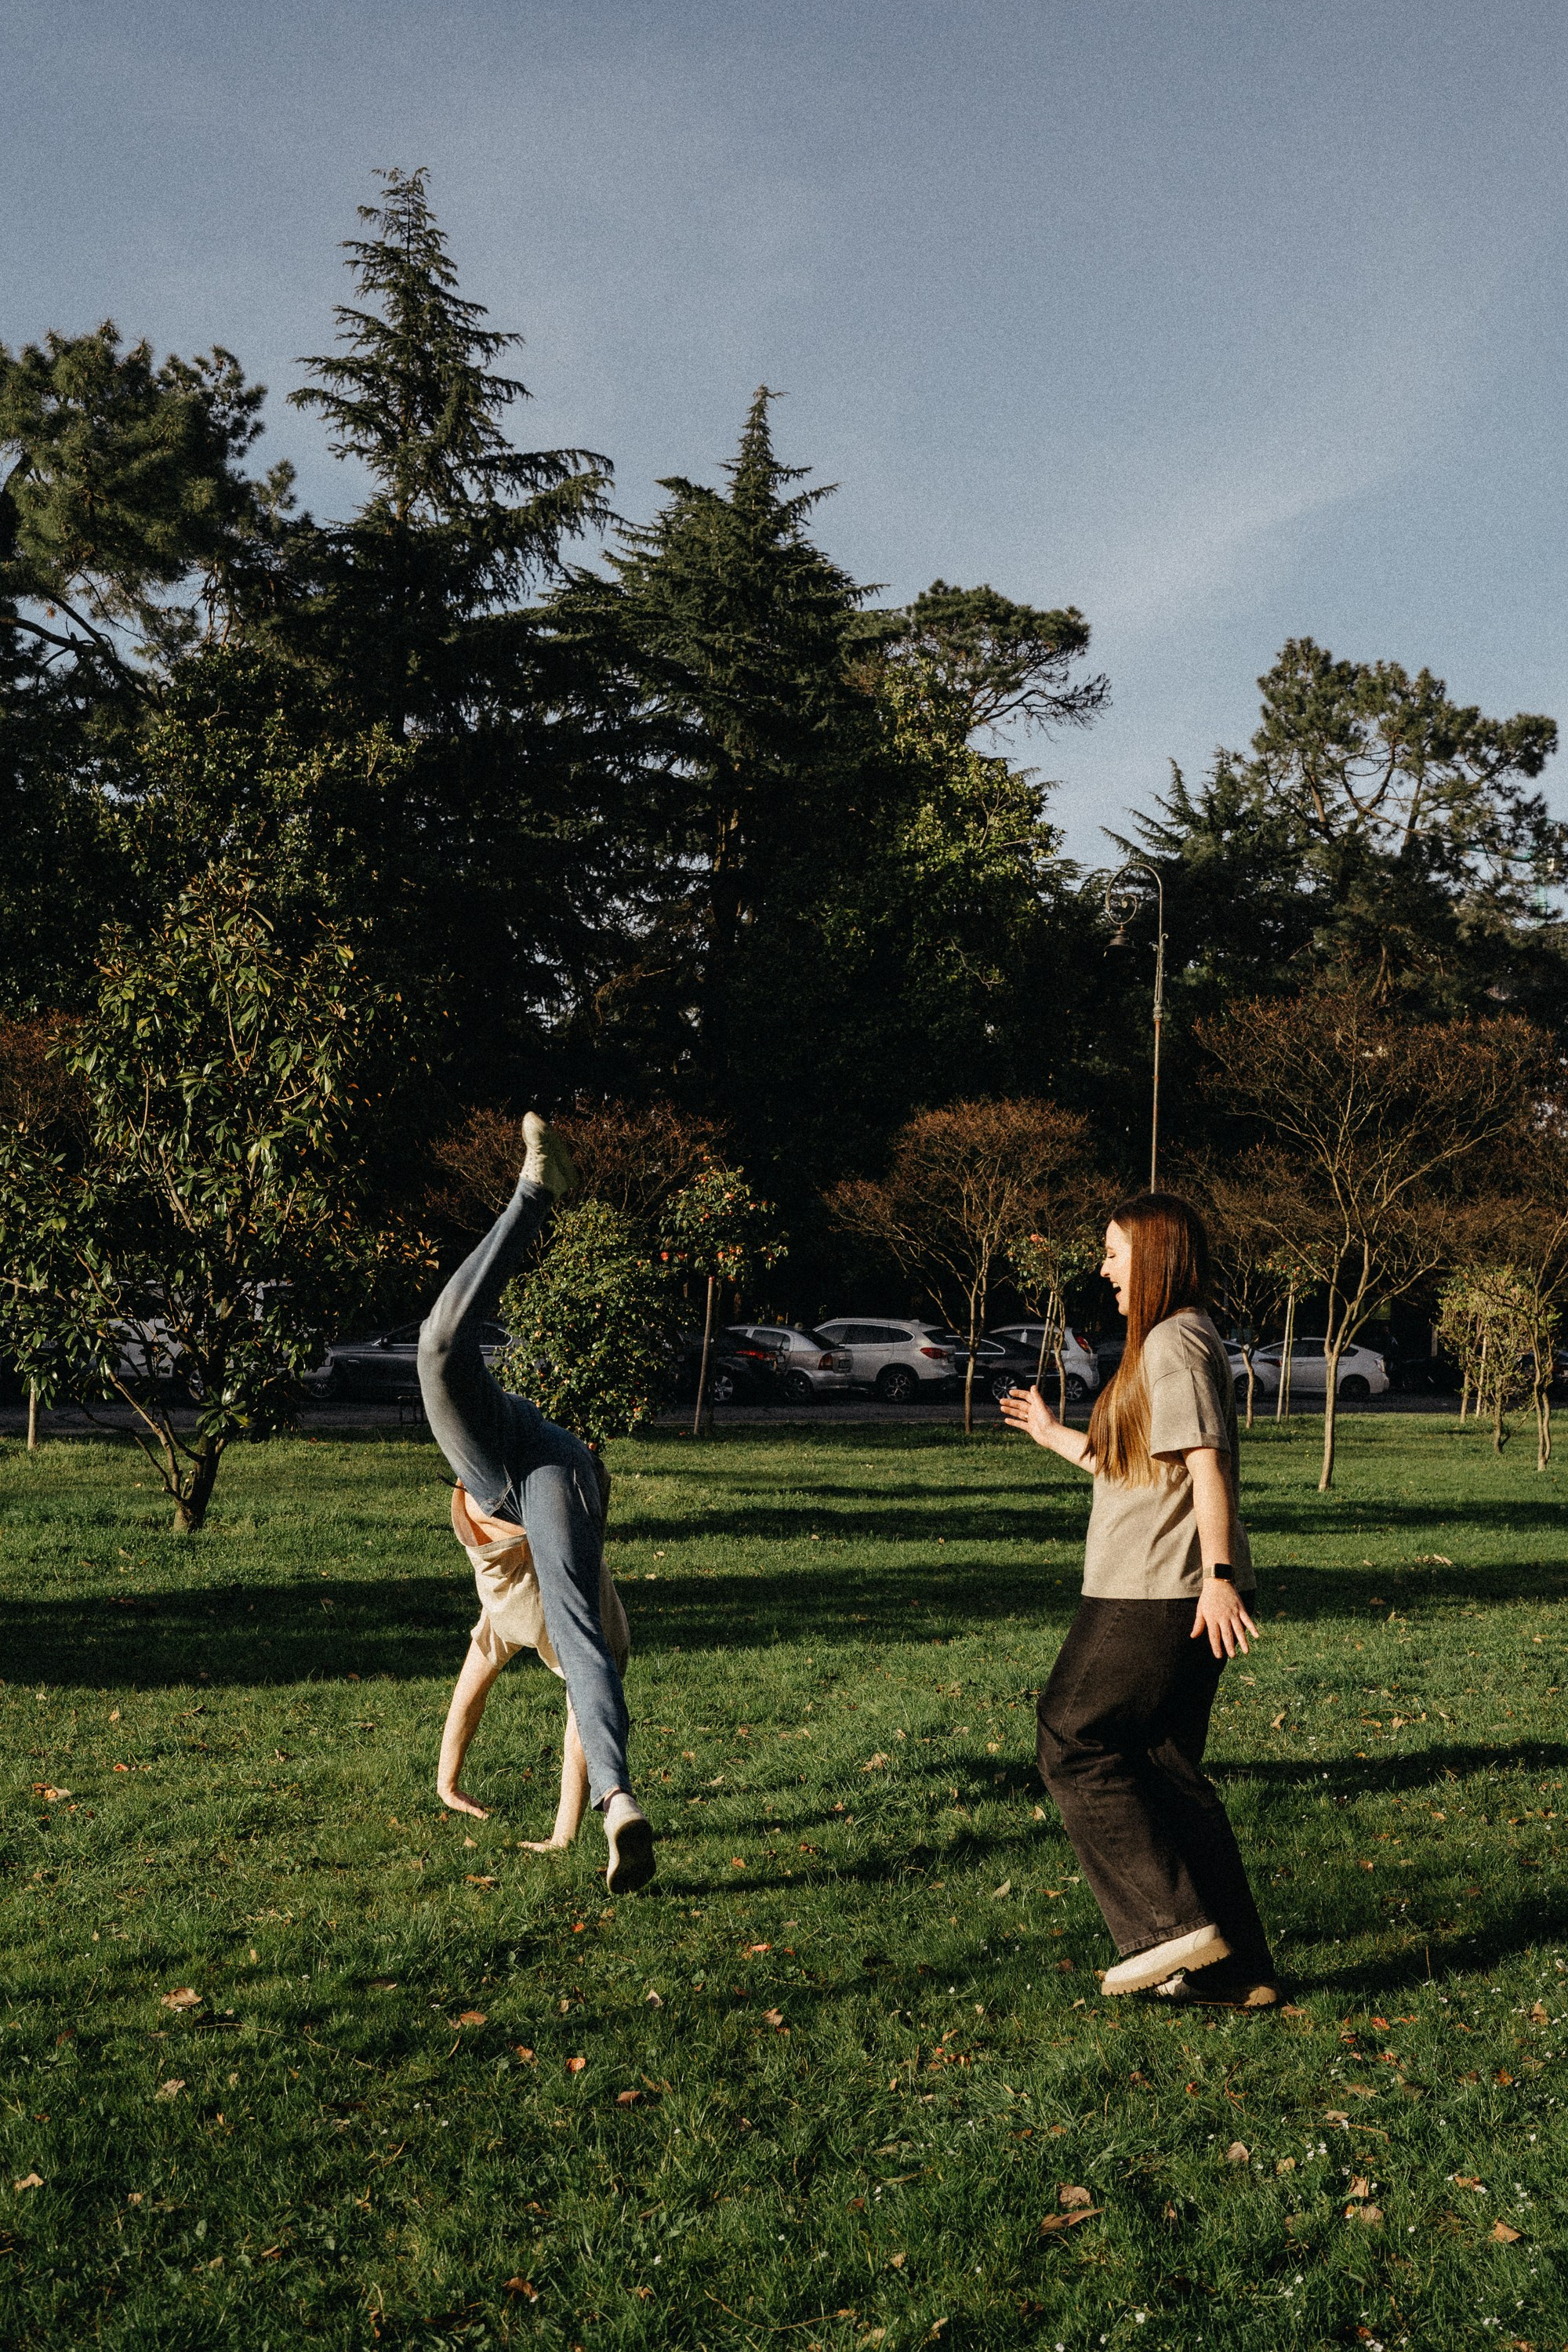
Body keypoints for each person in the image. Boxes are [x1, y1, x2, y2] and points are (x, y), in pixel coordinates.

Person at [1000, 1192, 1278, 2009]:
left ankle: (1165, 1931)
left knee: (1070, 1736)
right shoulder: (1171, 1339)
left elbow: (1205, 1465)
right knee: (1161, 1768)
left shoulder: (1168, 1340)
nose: (1103, 1267)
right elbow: (1137, 1470)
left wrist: (1216, 1578)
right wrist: (1054, 1437)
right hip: (1169, 1584)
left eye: (1113, 1251)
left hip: (1157, 1589)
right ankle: (1237, 1969)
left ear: (1151, 1256)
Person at [417, 1114, 655, 1895]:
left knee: (436, 1350)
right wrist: (447, 1779)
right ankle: (539, 1188)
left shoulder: (565, 1630)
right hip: (508, 1461)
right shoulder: (512, 1624)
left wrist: (569, 1830)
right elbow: (475, 1684)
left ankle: (619, 1807)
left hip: (555, 1471)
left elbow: (582, 1702)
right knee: (442, 1352)